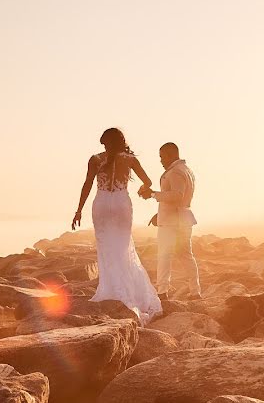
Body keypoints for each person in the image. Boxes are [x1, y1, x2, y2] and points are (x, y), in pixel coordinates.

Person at [72, 128, 163, 324]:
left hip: (102, 203)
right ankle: (129, 292)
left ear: (104, 142)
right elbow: (147, 181)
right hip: (121, 203)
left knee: (106, 250)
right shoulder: (130, 160)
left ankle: (111, 290)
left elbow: (87, 184)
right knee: (122, 249)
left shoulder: (96, 159)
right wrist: (142, 188)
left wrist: (78, 210)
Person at [140, 142, 201, 299]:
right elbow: (179, 199)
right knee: (186, 255)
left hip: (172, 222)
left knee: (164, 255)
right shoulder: (186, 170)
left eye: (162, 156)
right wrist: (158, 214)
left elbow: (176, 195)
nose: (161, 160)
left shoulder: (175, 172)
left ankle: (162, 292)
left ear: (170, 154)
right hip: (183, 218)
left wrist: (153, 194)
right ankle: (195, 291)